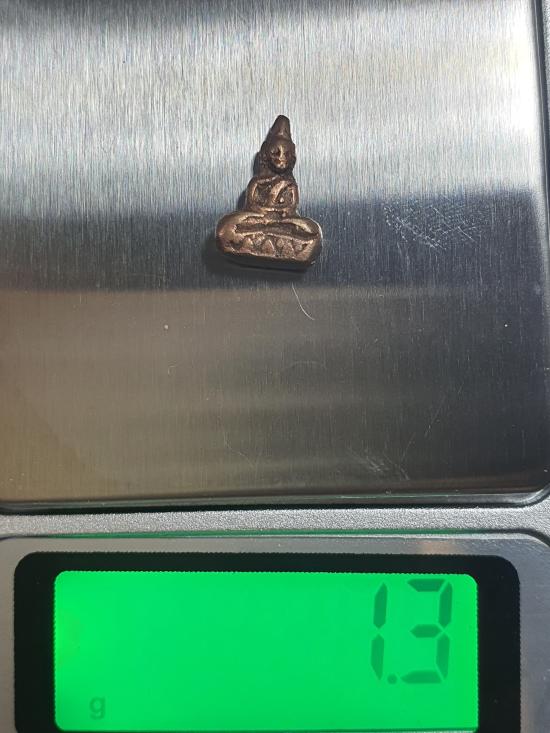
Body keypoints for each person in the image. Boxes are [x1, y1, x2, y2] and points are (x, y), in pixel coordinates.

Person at [216, 116, 322, 267]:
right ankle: (272, 244)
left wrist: (279, 214)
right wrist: (265, 215)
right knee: (226, 227)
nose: (281, 158)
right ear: (266, 154)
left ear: (292, 157)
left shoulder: (290, 185)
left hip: (282, 222)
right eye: (276, 153)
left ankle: (262, 244)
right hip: (259, 220)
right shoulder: (257, 182)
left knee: (311, 231)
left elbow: (290, 208)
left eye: (286, 154)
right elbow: (252, 206)